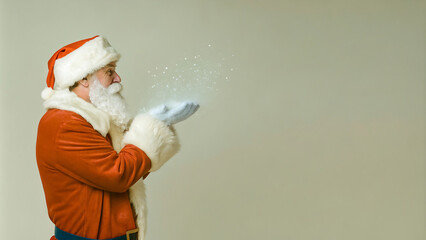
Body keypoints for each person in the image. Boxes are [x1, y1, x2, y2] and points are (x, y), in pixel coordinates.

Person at [36, 35, 199, 240]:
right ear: (83, 78)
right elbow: (118, 174)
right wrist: (151, 128)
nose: (118, 78)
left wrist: (158, 125)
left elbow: (133, 168)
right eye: (109, 72)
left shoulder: (95, 121)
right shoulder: (64, 123)